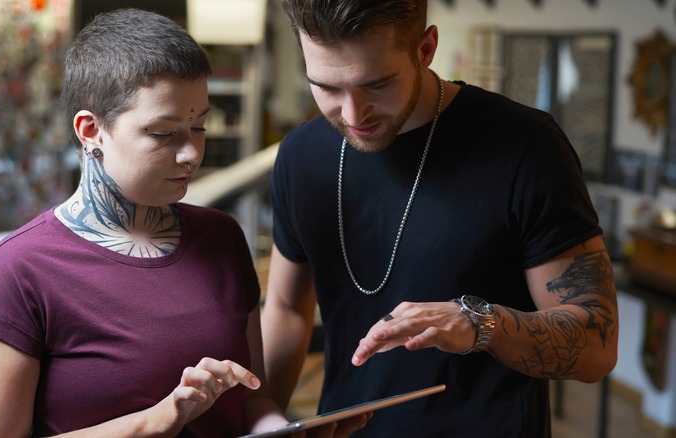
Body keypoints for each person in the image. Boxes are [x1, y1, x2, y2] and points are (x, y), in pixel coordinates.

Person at [261, 0, 619, 436]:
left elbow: (597, 345)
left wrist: (481, 323)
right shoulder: (300, 155)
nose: (354, 115)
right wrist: (264, 417)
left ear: (426, 48)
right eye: (327, 87)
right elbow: (286, 309)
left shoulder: (526, 146)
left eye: (378, 84)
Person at [0, 8, 303, 437]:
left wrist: (279, 428)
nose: (191, 153)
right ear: (91, 130)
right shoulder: (18, 272)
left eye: (199, 126)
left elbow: (250, 397)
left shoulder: (222, 238)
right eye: (164, 132)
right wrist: (153, 423)